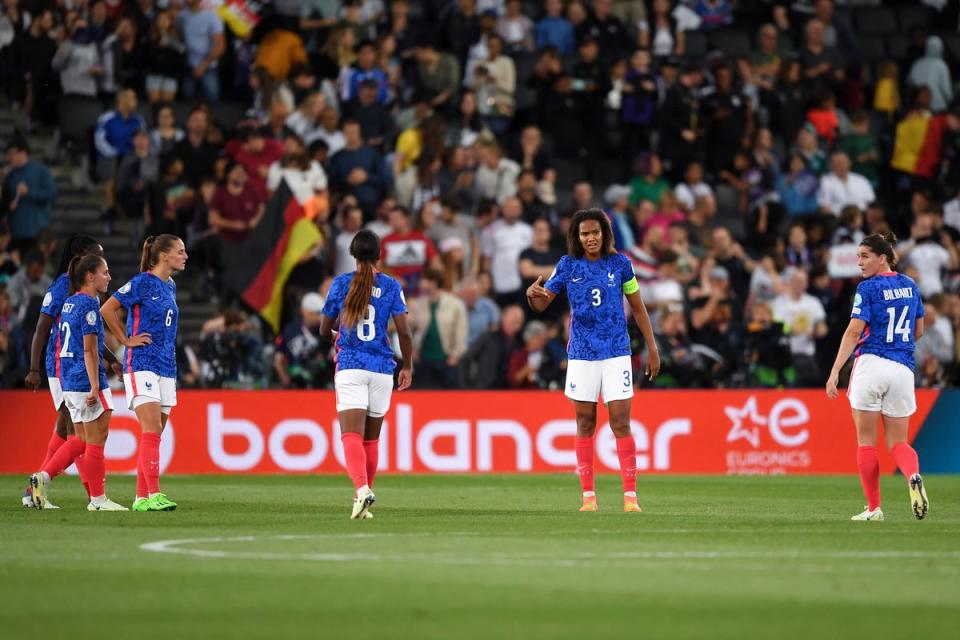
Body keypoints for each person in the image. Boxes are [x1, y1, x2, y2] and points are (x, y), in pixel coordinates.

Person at [526, 209, 660, 512]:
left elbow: (638, 309)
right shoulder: (567, 265)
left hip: (616, 351)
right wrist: (531, 295)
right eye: (585, 233)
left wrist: (652, 348)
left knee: (620, 422)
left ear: (604, 234)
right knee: (585, 422)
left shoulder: (621, 264)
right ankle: (588, 498)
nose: (590, 238)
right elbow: (542, 301)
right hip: (582, 353)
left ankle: (631, 498)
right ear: (577, 236)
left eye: (595, 232)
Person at [826, 233, 930, 522]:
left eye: (865, 256)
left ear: (882, 257)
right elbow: (918, 331)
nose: (859, 262)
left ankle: (874, 509)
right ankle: (913, 475)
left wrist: (835, 371)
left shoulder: (868, 288)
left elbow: (853, 331)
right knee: (898, 442)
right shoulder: (910, 285)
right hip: (903, 369)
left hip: (871, 363)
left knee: (866, 442)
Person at [319, 230, 413, 519]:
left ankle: (361, 490)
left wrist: (341, 331)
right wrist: (407, 365)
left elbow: (324, 329)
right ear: (379, 255)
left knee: (351, 435)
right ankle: (362, 500)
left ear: (353, 254)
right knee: (371, 440)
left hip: (351, 365)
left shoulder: (341, 284)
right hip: (383, 369)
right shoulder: (391, 285)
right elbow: (405, 332)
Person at [30, 253, 126, 511]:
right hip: (84, 379)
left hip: (67, 378)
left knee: (81, 439)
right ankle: (98, 499)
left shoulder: (70, 302)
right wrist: (95, 385)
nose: (109, 277)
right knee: (97, 436)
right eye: (105, 272)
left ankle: (43, 477)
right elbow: (90, 350)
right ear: (90, 276)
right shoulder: (89, 305)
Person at [101, 235, 187, 512]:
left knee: (155, 434)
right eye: (180, 251)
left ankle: (140, 497)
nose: (185, 256)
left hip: (166, 366)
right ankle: (154, 493)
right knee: (151, 430)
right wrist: (125, 341)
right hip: (142, 362)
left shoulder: (170, 285)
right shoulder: (141, 282)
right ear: (163, 255)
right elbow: (107, 309)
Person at [22, 234, 104, 509]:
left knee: (66, 427)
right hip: (62, 366)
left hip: (71, 365)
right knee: (76, 432)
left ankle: (34, 488)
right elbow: (42, 327)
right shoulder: (62, 286)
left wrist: (111, 358)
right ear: (82, 256)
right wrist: (34, 368)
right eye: (97, 254)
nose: (102, 260)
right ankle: (91, 495)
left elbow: (88, 335)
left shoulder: (79, 289)